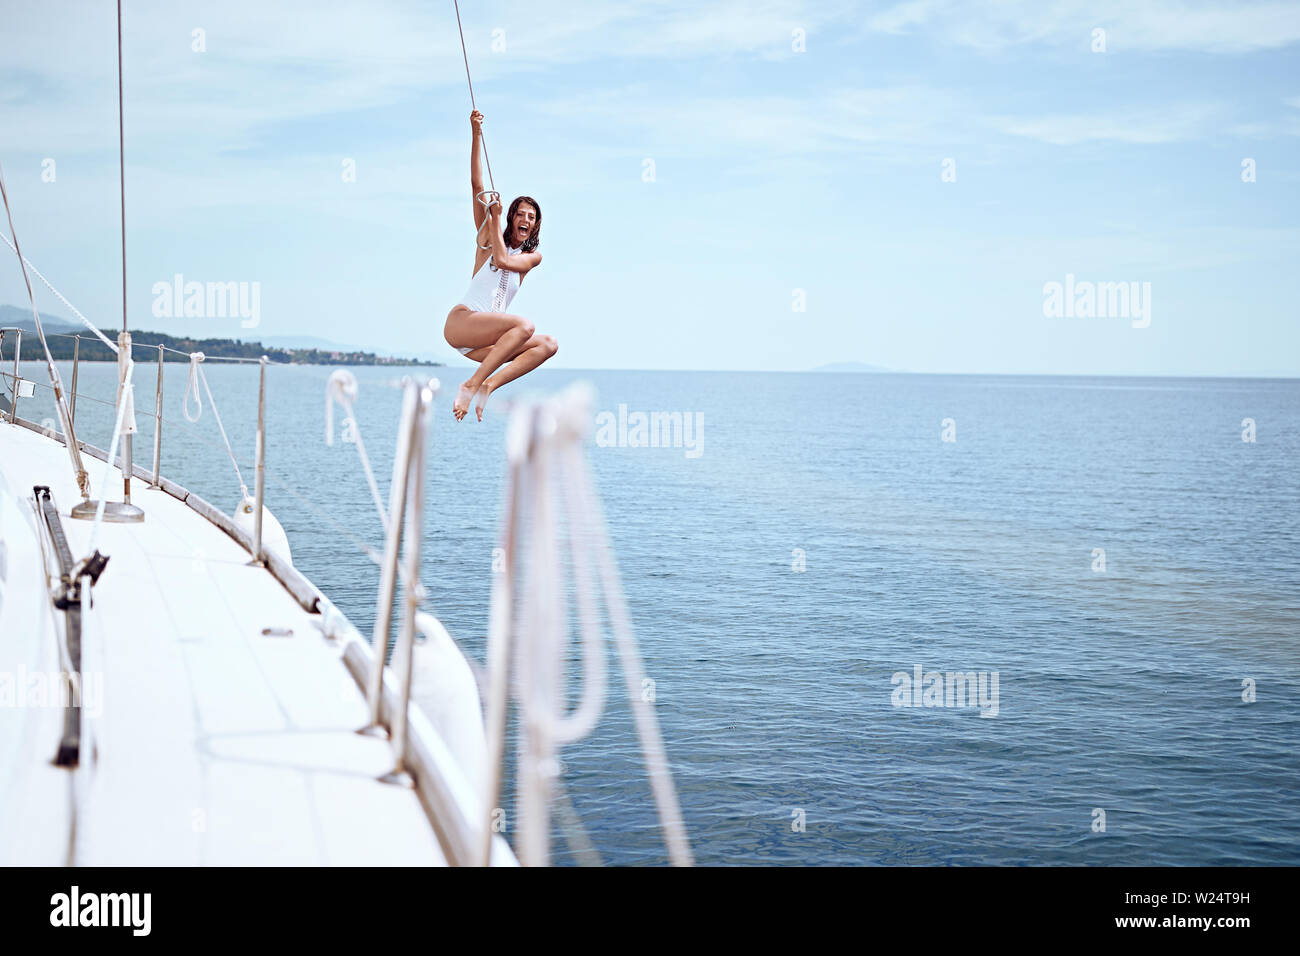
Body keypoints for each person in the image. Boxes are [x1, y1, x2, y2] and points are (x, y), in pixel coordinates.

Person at [443, 110, 557, 421]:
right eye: (520, 214)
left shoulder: (531, 259)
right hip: (462, 323)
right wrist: (476, 133)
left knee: (548, 344)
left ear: (534, 228)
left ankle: (487, 385)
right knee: (525, 326)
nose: (526, 219)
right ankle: (472, 384)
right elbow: (475, 182)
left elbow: (506, 262)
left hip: (485, 346)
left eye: (531, 218)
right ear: (511, 217)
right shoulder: (486, 238)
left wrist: (496, 219)